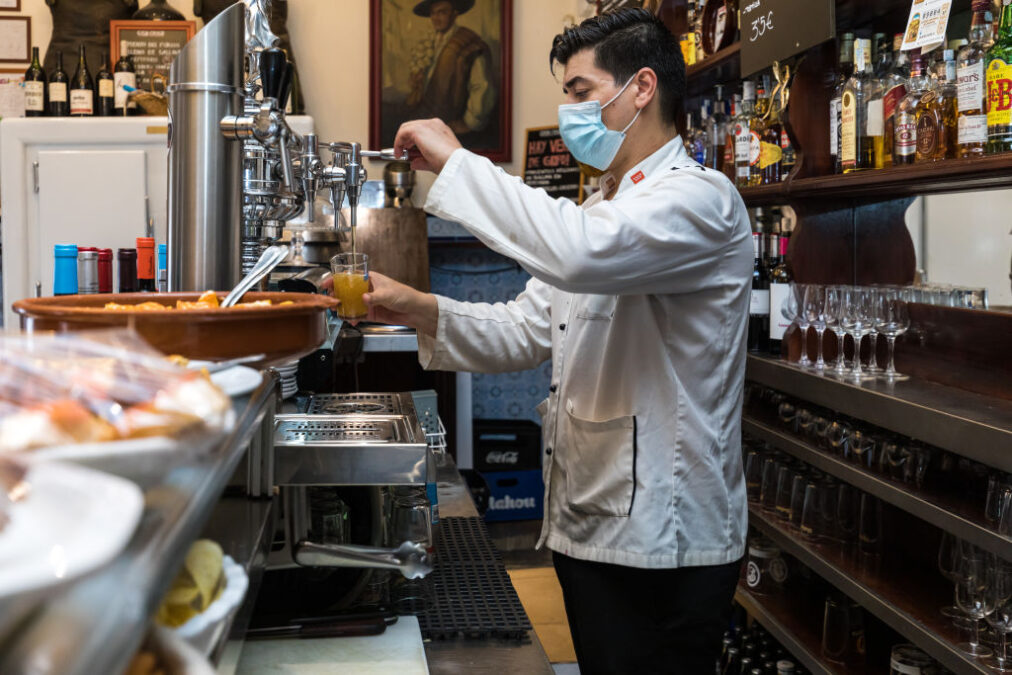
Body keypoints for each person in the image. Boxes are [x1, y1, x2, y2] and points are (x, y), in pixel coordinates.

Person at [362, 9, 751, 673]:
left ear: (641, 89)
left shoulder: (699, 200)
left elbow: (574, 252)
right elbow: (525, 327)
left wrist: (459, 161)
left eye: (579, 91)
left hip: (666, 538)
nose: (568, 109)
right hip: (589, 519)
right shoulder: (604, 209)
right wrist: (413, 307)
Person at [407, 0, 496, 142]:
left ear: (455, 14)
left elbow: (481, 87)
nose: (436, 18)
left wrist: (470, 123)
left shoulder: (469, 43)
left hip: (454, 130)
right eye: (433, 13)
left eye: (442, 12)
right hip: (431, 126)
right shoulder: (429, 42)